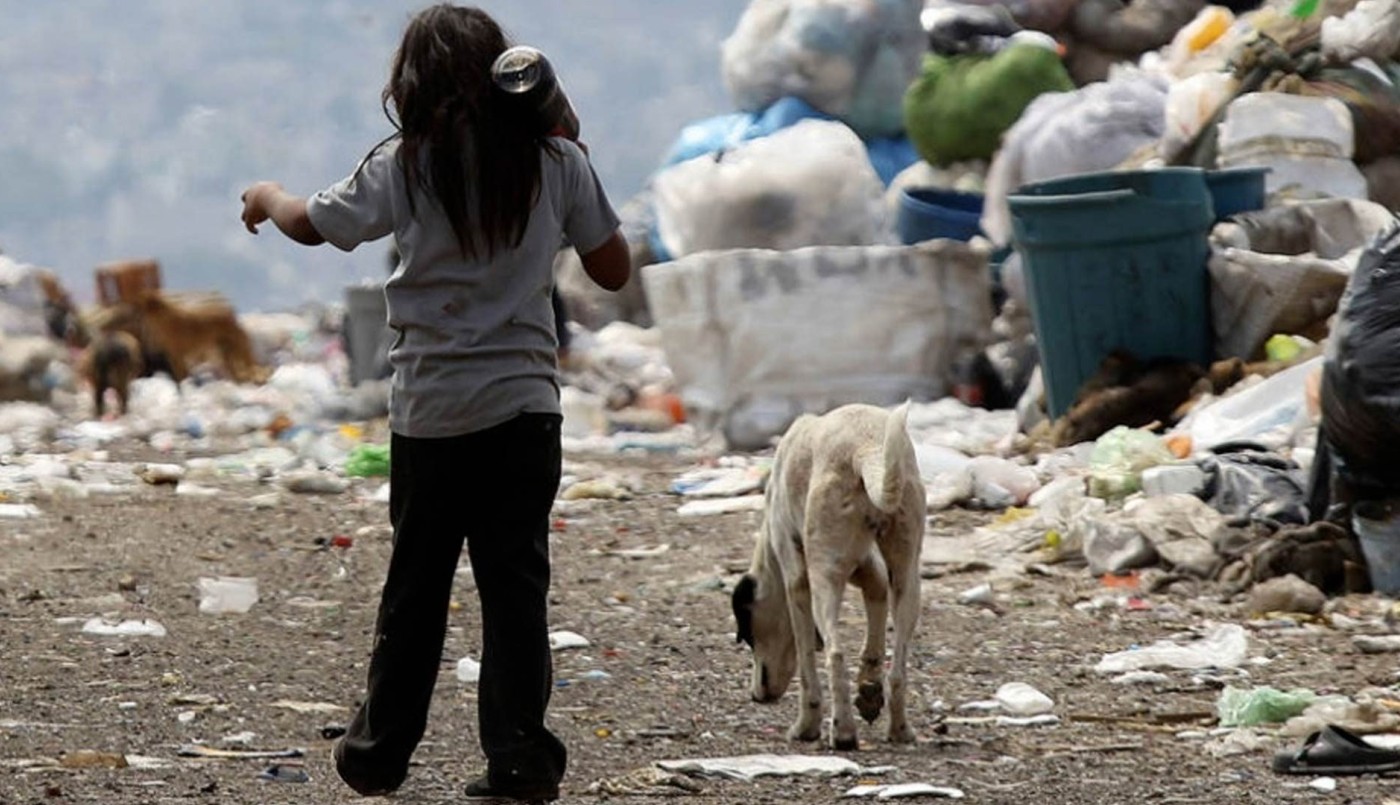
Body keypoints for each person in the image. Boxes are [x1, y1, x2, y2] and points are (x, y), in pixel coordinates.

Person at [238, 5, 630, 801]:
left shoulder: (407, 163)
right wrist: (572, 145)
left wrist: (267, 195)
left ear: (410, 84)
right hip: (526, 412)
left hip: (432, 414)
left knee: (416, 588)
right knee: (514, 590)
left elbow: (316, 225)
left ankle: (379, 753)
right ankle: (519, 762)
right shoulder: (554, 163)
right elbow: (615, 268)